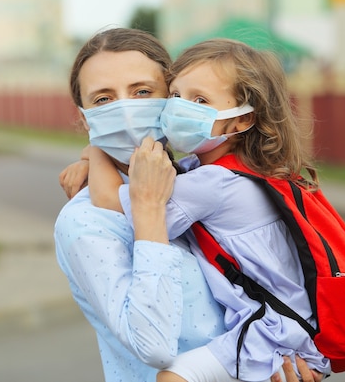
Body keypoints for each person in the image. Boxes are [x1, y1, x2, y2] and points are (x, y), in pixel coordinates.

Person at [56, 27, 322, 382]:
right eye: (103, 99)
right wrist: (99, 154)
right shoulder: (87, 222)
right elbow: (154, 348)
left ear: (171, 98)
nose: (127, 110)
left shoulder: (194, 179)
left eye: (143, 92)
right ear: (85, 116)